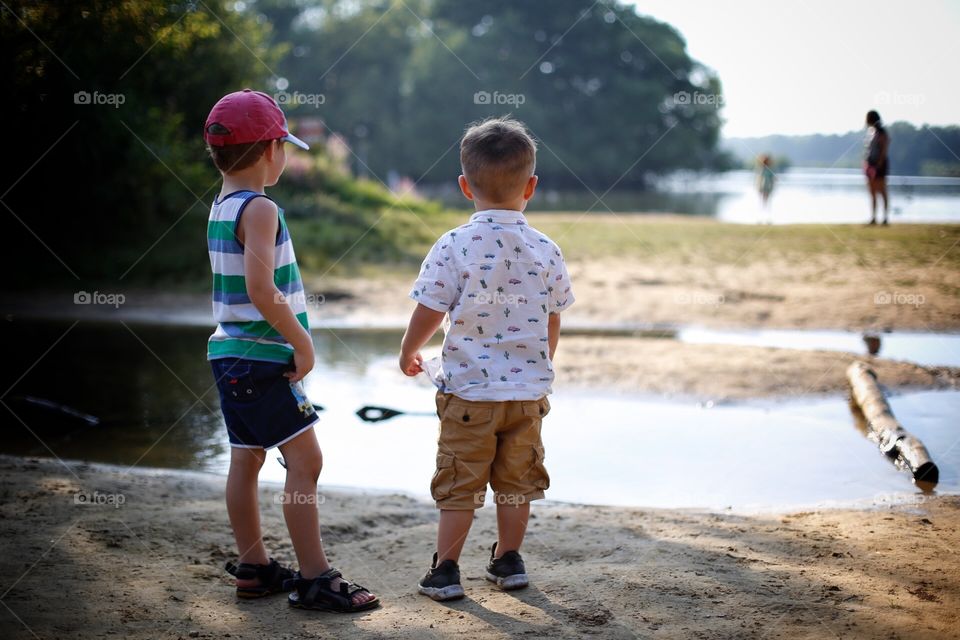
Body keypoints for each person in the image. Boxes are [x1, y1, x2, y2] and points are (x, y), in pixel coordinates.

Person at [204, 89, 378, 613]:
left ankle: (254, 566)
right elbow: (262, 290)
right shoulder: (260, 208)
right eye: (283, 146)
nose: (285, 155)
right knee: (306, 458)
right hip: (262, 356)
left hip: (228, 354)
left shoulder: (221, 204)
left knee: (246, 456)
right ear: (269, 152)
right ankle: (316, 576)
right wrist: (302, 342)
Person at [399, 117, 575, 601]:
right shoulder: (546, 249)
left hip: (469, 394)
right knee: (516, 482)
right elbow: (553, 316)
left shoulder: (454, 244)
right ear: (531, 186)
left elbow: (431, 309)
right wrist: (541, 368)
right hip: (527, 397)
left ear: (463, 185)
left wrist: (409, 350)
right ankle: (508, 561)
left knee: (460, 481)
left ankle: (447, 569)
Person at [864, 110, 891, 225]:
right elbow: (868, 149)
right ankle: (873, 218)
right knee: (872, 192)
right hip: (870, 164)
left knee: (882, 191)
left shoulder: (882, 132)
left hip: (880, 165)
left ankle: (885, 218)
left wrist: (879, 162)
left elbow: (885, 147)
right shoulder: (870, 132)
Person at [755, 154, 776, 223]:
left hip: (766, 188)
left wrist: (772, 187)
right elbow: (759, 179)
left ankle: (766, 219)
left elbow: (772, 180)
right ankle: (761, 219)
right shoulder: (761, 169)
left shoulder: (769, 170)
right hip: (762, 188)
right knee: (763, 203)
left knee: (766, 203)